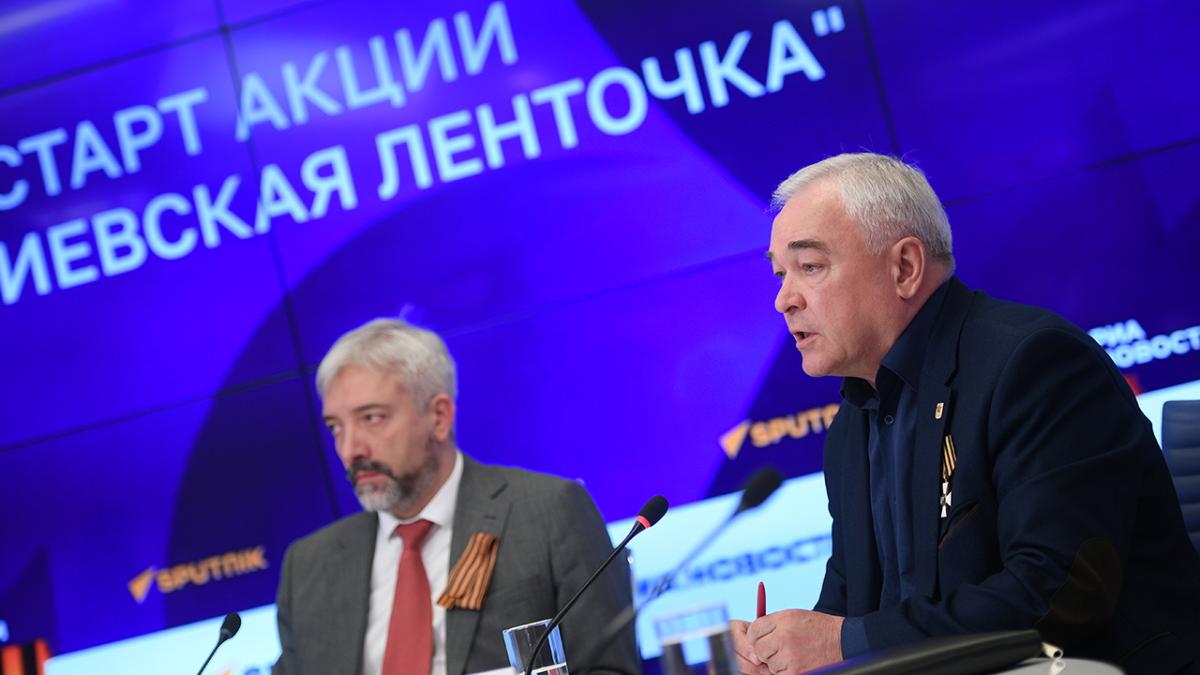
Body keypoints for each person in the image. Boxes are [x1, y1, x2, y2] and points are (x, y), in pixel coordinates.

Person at [730, 153, 1200, 674]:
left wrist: (839, 643)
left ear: (904, 268)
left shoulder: (1034, 365)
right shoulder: (852, 425)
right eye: (780, 274)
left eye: (810, 267)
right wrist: (781, 652)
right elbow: (851, 613)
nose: (784, 300)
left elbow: (1056, 595)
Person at [273, 319, 640, 675]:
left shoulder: (550, 513)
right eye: (335, 427)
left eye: (371, 418)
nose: (349, 449)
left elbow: (609, 668)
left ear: (439, 416)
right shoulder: (307, 567)